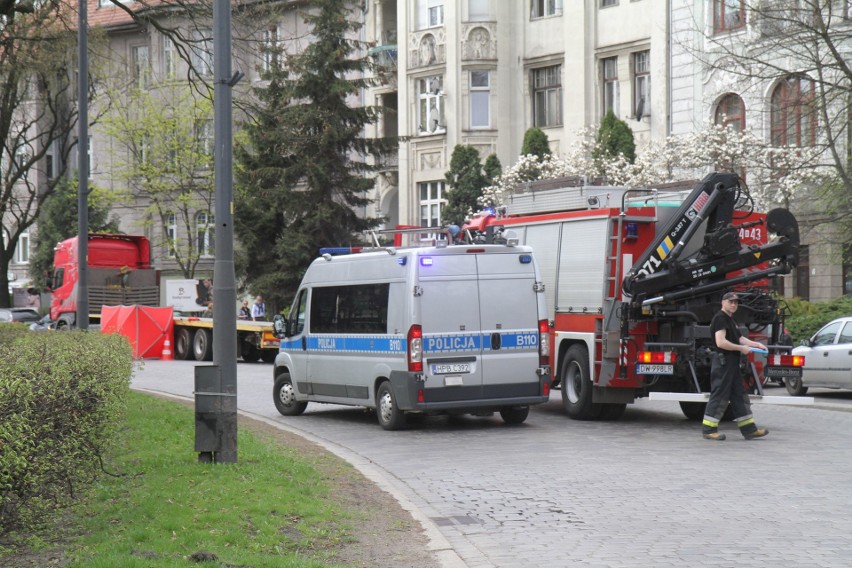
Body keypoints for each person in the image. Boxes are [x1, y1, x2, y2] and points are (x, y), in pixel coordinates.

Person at [702, 292, 770, 441]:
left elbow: (739, 337)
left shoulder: (729, 319)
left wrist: (755, 344)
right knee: (719, 396)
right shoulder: (720, 318)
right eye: (730, 302)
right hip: (723, 363)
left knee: (739, 396)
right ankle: (708, 430)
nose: (733, 305)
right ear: (723, 302)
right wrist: (741, 349)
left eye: (736, 302)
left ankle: (749, 430)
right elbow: (721, 342)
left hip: (730, 364)